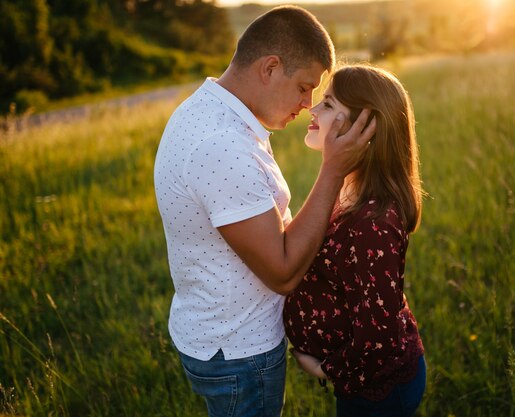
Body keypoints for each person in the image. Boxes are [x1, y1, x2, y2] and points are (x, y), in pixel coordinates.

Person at [153, 6, 375, 417]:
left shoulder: (212, 112)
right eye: (304, 87)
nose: (308, 104)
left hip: (216, 334)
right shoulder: (221, 145)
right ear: (270, 67)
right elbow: (283, 272)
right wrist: (333, 171)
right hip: (240, 353)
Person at [283, 64, 426, 417]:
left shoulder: (371, 223)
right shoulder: (347, 190)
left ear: (366, 128)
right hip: (364, 384)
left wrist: (323, 369)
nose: (312, 110)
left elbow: (379, 332)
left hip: (378, 390)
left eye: (329, 105)